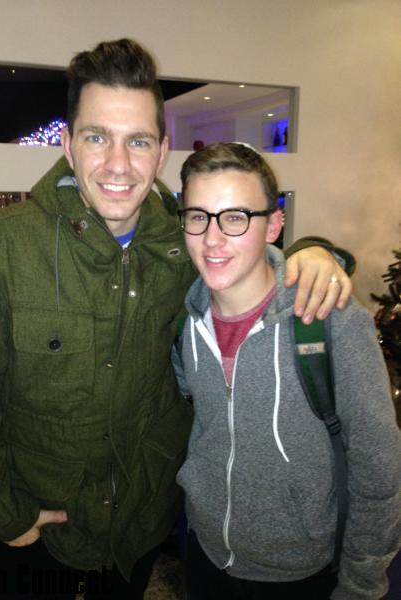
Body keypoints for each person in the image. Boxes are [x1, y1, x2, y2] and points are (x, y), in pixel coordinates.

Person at [0, 39, 352, 600]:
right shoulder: (1, 249)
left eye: (137, 141)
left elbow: (250, 254)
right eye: (97, 137)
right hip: (39, 527)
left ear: (162, 150)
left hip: (140, 526)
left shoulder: (188, 244)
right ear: (67, 144)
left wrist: (316, 252)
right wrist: (2, 511)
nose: (118, 164)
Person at [174, 142, 401, 600]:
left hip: (299, 571)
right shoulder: (187, 321)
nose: (212, 238)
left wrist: (361, 585)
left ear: (273, 225)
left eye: (235, 217)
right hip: (204, 553)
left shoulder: (331, 320)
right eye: (198, 216)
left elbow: (379, 469)